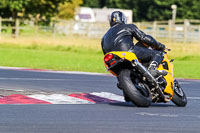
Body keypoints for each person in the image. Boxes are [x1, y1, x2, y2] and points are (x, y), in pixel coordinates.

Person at [101, 11, 167, 77]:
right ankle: (152, 69)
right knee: (158, 54)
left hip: (113, 59)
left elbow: (105, 52)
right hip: (128, 51)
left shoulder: (104, 37)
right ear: (123, 19)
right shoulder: (129, 26)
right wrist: (160, 46)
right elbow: (144, 38)